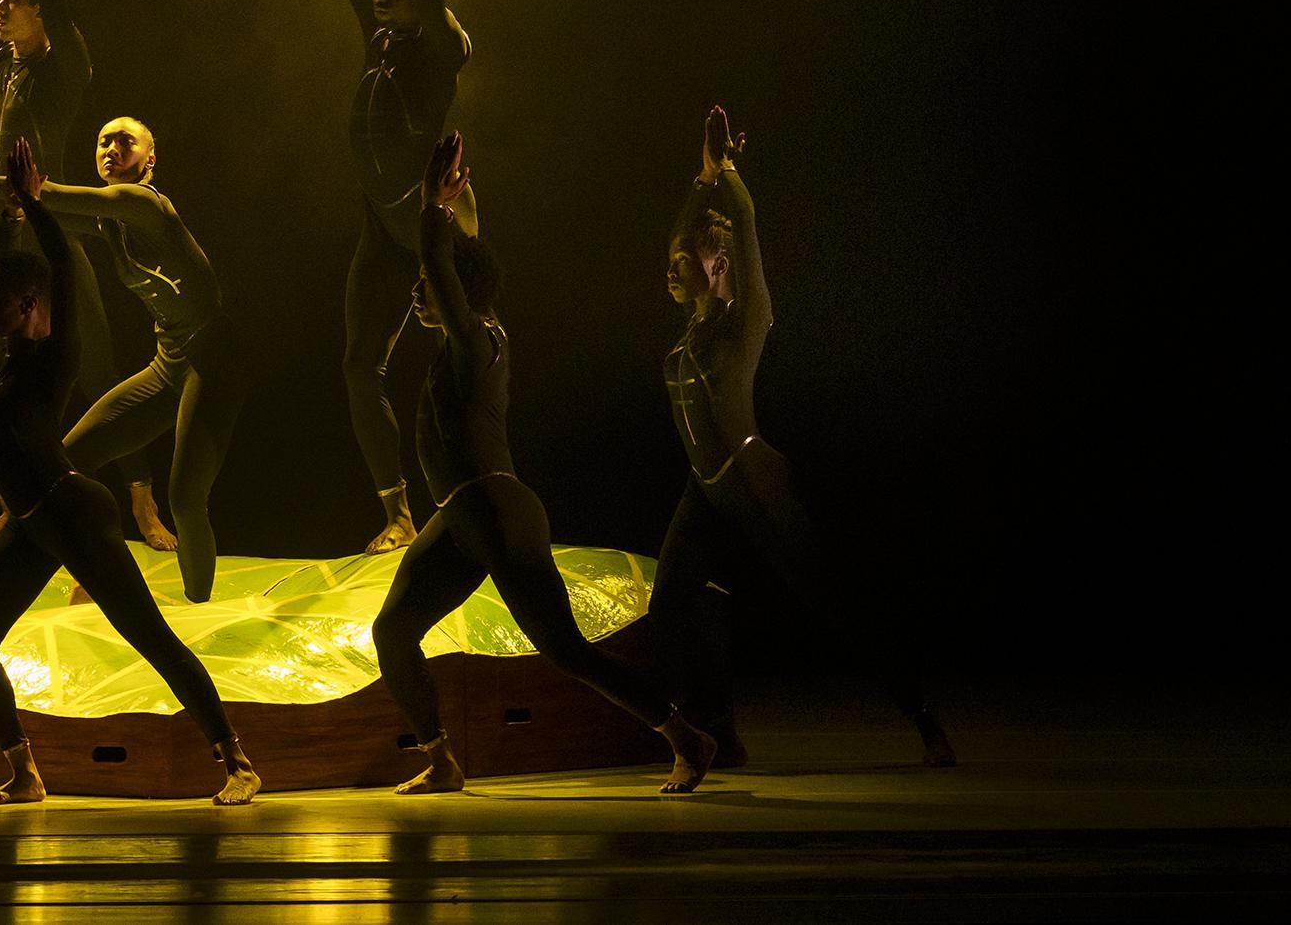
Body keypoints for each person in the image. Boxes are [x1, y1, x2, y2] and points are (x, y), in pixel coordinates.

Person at [370, 132, 693, 795]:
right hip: (462, 515)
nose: (418, 294)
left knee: (566, 650)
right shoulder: (479, 330)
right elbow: (465, 252)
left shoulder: (475, 341)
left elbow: (447, 264)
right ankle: (441, 761)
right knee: (393, 631)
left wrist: (433, 212)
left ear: (459, 292)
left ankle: (686, 737)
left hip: (494, 508)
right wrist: (458, 198)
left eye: (429, 286)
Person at [647, 107, 953, 788]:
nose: (669, 267)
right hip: (706, 491)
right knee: (669, 604)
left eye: (682, 259)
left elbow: (746, 230)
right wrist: (700, 180)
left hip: (753, 483)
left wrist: (728, 181)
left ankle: (923, 716)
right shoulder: (687, 334)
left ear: (715, 263)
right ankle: (714, 733)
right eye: (668, 258)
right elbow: (684, 231)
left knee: (830, 604)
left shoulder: (743, 321)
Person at [0, 138, 261, 807]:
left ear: (33, 307)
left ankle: (235, 759)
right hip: (35, 525)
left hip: (73, 513)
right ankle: (25, 774)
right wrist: (0, 209)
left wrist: (35, 204)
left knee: (150, 635)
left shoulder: (51, 359)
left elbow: (60, 260)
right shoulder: (6, 365)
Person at [0, 115, 247, 600]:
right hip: (169, 364)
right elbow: (40, 207)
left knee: (186, 498)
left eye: (127, 141)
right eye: (104, 141)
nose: (113, 148)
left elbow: (51, 195)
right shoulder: (111, 221)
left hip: (213, 361)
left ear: (150, 157)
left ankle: (199, 608)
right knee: (69, 459)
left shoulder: (143, 203)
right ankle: (96, 568)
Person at [0, 0, 164, 547]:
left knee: (98, 369)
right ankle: (18, 501)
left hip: (46, 240)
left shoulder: (62, 68)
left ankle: (143, 502)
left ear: (39, 12)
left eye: (13, 0)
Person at [337, 0, 474, 550]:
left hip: (431, 224)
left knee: (468, 357)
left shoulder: (440, 46)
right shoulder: (382, 37)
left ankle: (475, 497)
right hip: (382, 226)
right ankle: (397, 513)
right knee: (362, 366)